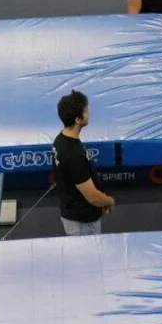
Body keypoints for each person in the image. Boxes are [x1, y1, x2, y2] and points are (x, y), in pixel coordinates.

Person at [53, 90, 115, 236]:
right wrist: (109, 201)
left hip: (75, 212)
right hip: (82, 222)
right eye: (86, 111)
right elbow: (93, 197)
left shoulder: (61, 139)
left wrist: (102, 202)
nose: (88, 113)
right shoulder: (73, 153)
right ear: (78, 119)